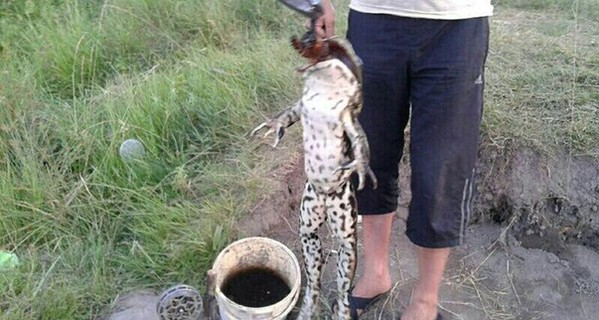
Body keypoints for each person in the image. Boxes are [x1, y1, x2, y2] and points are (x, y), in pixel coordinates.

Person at [312, 1, 493, 319]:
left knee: (440, 167)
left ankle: (425, 299)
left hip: (456, 23)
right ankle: (376, 272)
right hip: (373, 19)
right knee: (369, 155)